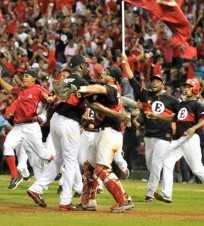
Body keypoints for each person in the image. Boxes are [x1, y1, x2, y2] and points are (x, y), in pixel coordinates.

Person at [27, 55, 90, 211]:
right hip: (69, 122)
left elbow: (53, 97)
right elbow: (91, 100)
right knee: (70, 161)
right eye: (86, 65)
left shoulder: (66, 80)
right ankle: (65, 201)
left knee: (60, 158)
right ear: (81, 66)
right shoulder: (82, 82)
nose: (88, 68)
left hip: (56, 119)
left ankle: (37, 188)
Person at [74, 66, 133, 213]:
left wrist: (79, 88)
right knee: (89, 167)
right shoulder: (109, 89)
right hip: (101, 133)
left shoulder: (112, 88)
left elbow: (99, 90)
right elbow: (94, 104)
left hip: (110, 133)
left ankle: (123, 200)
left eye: (106, 73)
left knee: (102, 168)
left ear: (113, 78)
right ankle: (89, 202)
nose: (102, 73)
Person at [122, 53, 179, 202]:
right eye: (152, 81)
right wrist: (125, 62)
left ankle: (150, 193)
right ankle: (154, 187)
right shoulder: (145, 95)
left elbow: (178, 116)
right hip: (149, 136)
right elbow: (131, 79)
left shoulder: (172, 100)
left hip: (164, 136)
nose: (154, 83)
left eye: (157, 81)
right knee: (150, 164)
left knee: (156, 164)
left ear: (163, 84)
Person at [0, 65, 54, 190]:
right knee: (7, 145)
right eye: (23, 76)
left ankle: (61, 167)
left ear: (33, 79)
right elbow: (10, 89)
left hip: (32, 126)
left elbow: (50, 97)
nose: (23, 78)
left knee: (42, 154)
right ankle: (15, 176)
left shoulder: (38, 89)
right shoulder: (20, 91)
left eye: (26, 76)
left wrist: (50, 98)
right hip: (19, 126)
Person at [150, 78, 204, 203]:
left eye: (189, 87)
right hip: (179, 139)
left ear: (195, 89)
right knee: (167, 161)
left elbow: (202, 119)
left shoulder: (197, 104)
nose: (186, 88)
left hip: (190, 138)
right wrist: (156, 115)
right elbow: (172, 118)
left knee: (197, 169)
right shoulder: (181, 104)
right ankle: (166, 194)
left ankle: (166, 193)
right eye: (185, 86)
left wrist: (194, 127)